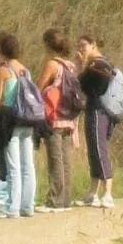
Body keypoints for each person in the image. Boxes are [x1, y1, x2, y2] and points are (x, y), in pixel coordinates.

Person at [0, 31, 38, 220]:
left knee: (13, 166)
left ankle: (11, 208)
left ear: (2, 49)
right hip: (28, 120)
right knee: (28, 165)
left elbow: (0, 99)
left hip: (10, 120)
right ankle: (27, 205)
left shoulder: (3, 70)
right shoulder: (25, 70)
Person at [39, 29, 81, 212]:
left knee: (55, 160)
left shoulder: (52, 64)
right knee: (65, 161)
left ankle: (55, 201)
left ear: (48, 45)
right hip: (68, 119)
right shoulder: (70, 66)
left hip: (54, 118)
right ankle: (65, 200)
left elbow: (39, 88)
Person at [76, 36, 119, 209]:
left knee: (99, 150)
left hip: (99, 111)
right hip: (94, 109)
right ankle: (93, 193)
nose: (81, 49)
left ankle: (108, 193)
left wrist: (83, 66)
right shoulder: (98, 65)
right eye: (79, 46)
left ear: (93, 45)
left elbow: (83, 85)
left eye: (84, 45)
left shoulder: (98, 65)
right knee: (93, 151)